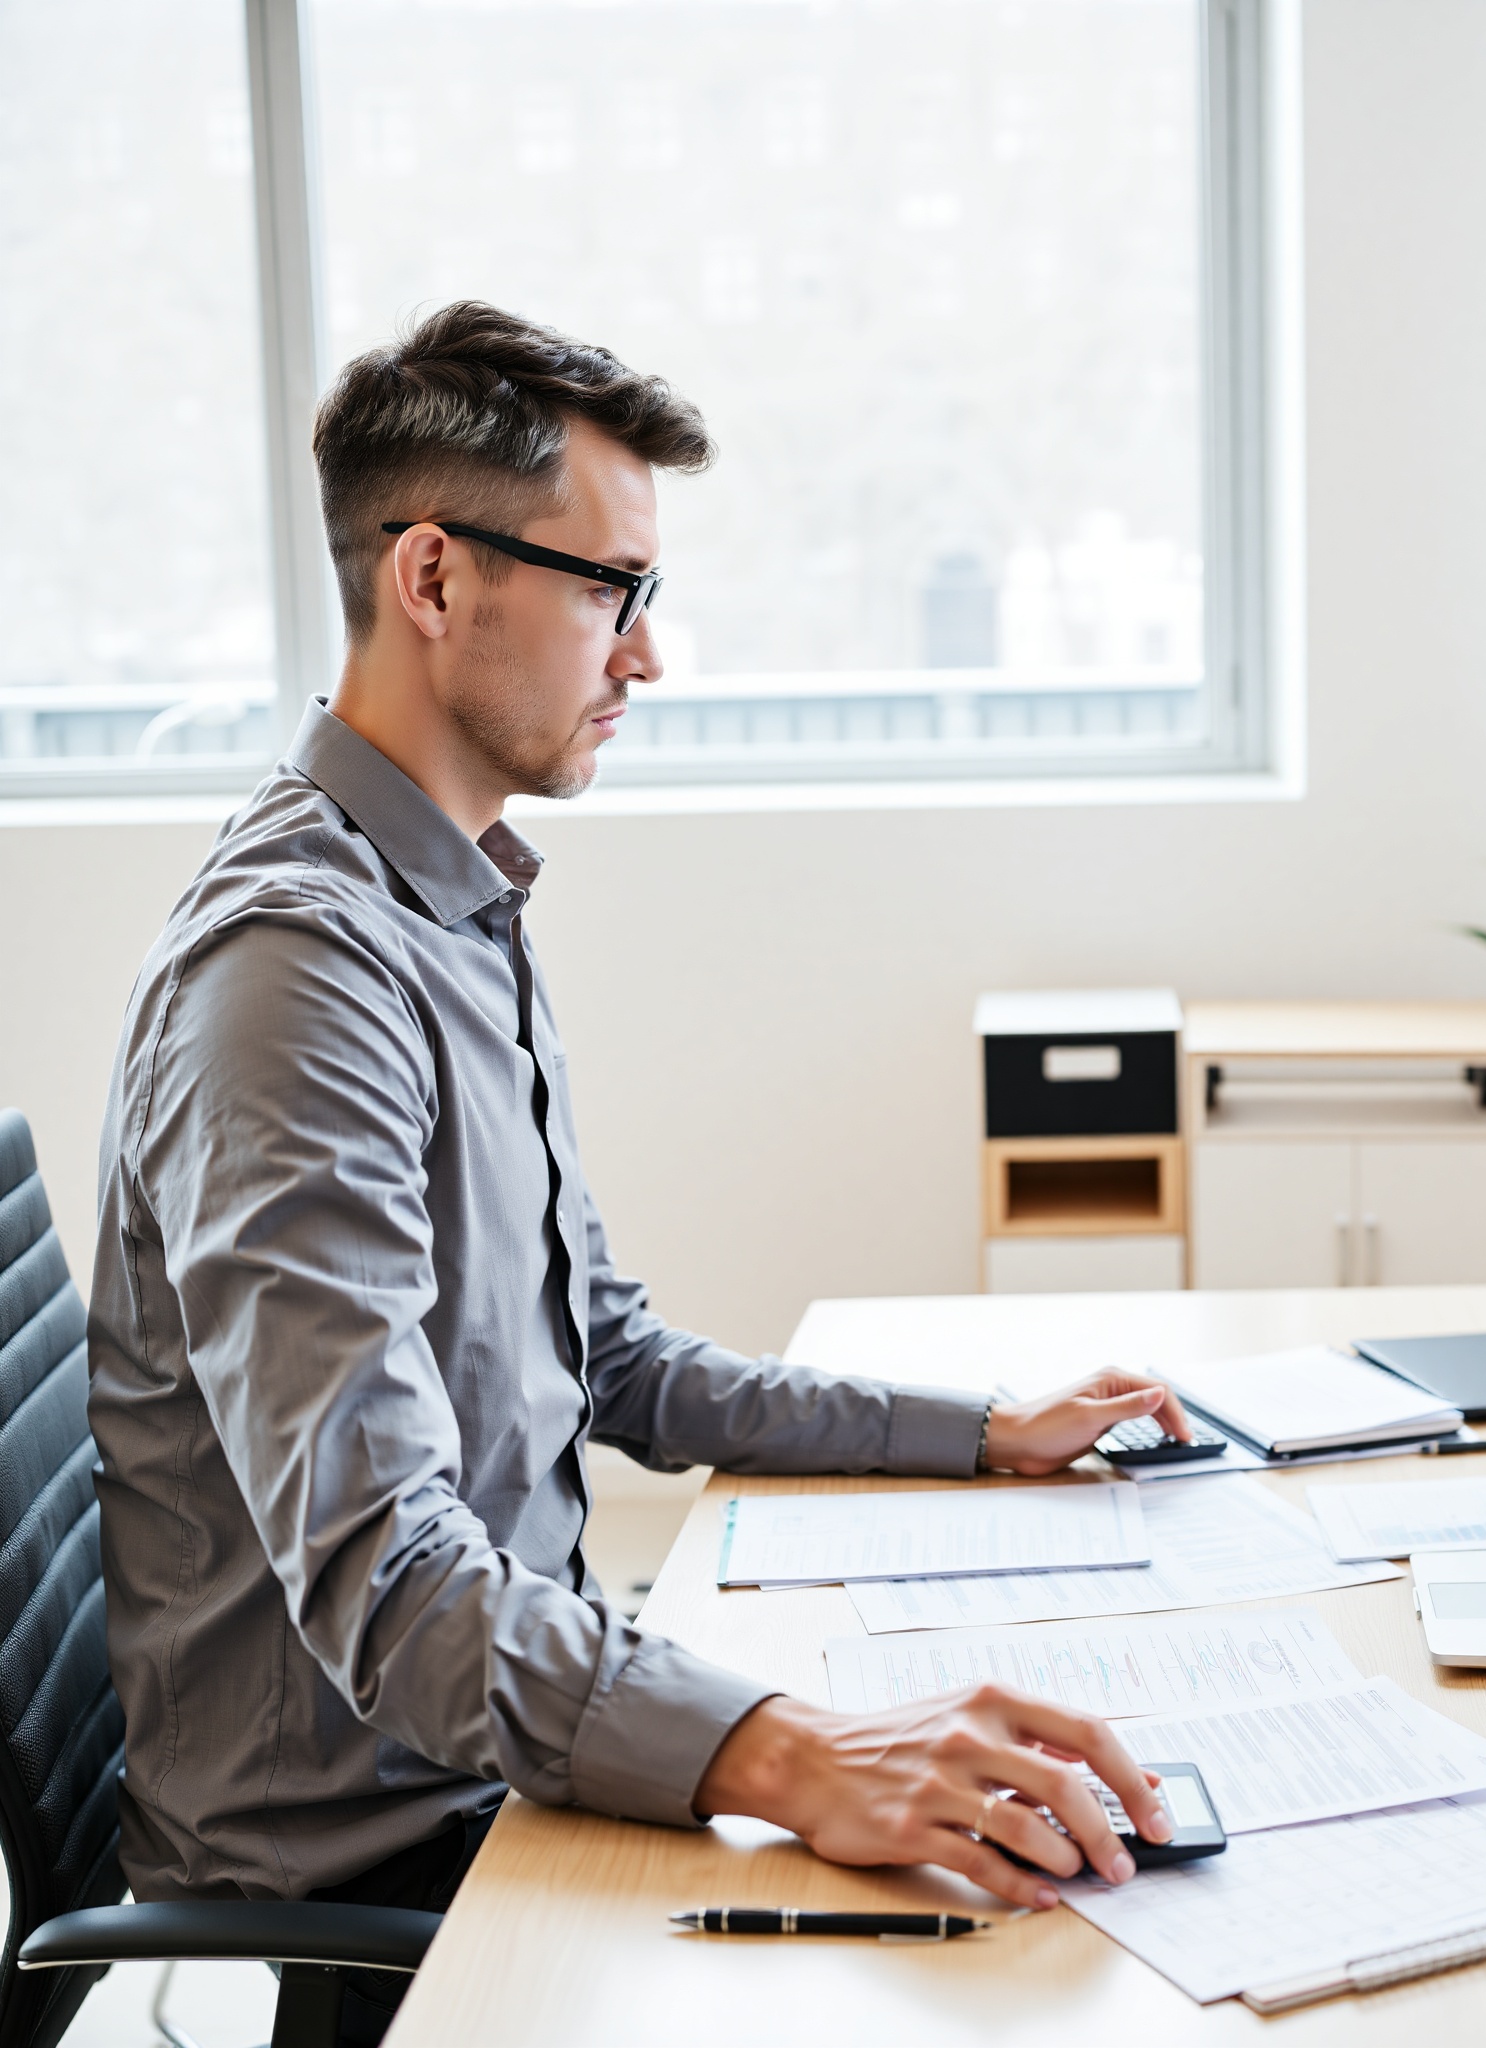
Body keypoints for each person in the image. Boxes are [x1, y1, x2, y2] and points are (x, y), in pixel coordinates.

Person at [87, 301, 1193, 2041]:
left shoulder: (447, 900)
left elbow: (611, 1356)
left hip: (490, 1758)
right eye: (613, 590)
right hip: (382, 1866)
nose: (648, 656)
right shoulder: (295, 983)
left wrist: (982, 1431)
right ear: (435, 580)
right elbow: (391, 1579)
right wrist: (797, 1756)